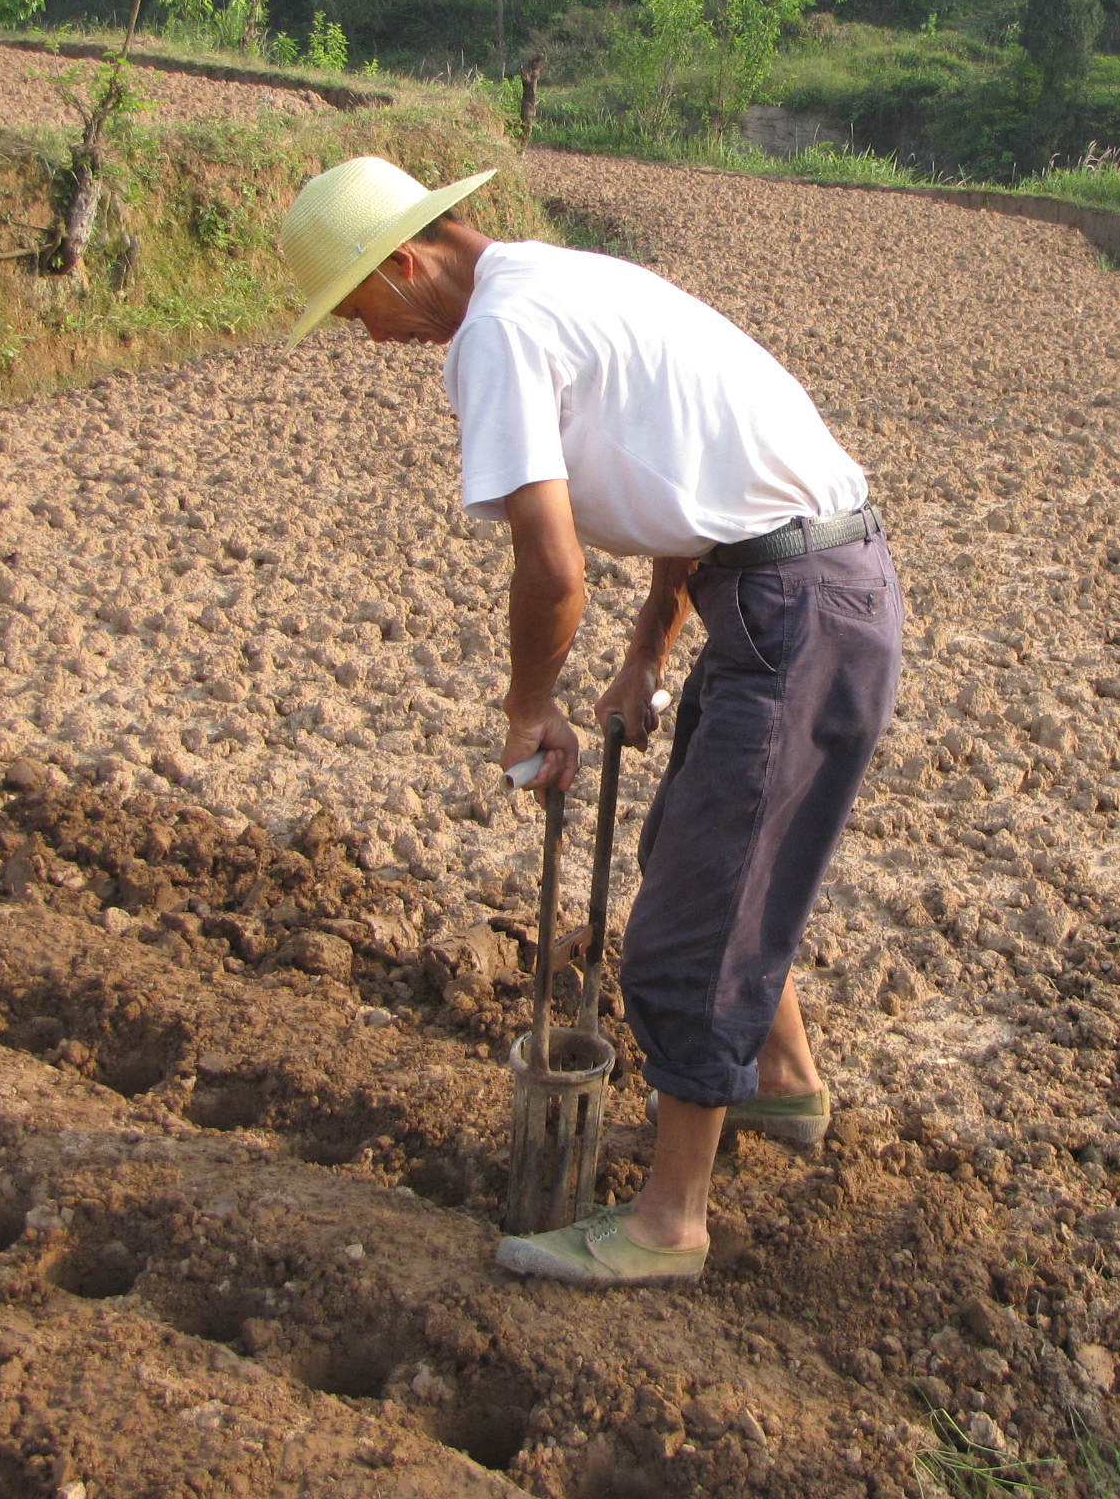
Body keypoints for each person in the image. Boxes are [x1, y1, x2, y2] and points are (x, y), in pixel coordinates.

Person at [281, 156, 901, 1286]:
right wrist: (646, 653)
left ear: (406, 262)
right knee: (698, 854)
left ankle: (671, 1223)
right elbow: (694, 479)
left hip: (796, 604)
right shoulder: (559, 280)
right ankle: (785, 1085)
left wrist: (529, 710)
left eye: (360, 309)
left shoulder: (498, 333)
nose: (372, 340)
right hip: (800, 590)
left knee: (690, 923)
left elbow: (553, 565)